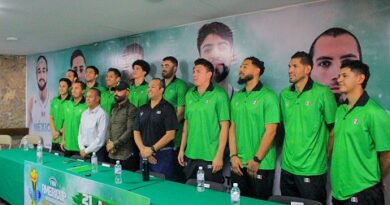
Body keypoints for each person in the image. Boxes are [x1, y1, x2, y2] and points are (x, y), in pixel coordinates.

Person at [279, 51, 337, 204]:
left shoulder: (323, 93)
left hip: (312, 170)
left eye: (295, 66)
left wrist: (325, 156)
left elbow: (334, 130)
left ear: (307, 69)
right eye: (289, 66)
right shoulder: (285, 94)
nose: (290, 70)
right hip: (287, 168)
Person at [331, 60, 390, 205]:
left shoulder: (374, 112)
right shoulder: (340, 110)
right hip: (339, 192)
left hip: (364, 192)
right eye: (339, 76)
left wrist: (377, 178)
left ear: (360, 78)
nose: (339, 79)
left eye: (344, 76)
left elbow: (387, 155)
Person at [229, 57, 279, 200]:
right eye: (240, 67)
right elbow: (232, 127)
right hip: (238, 164)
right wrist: (233, 156)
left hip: (260, 165)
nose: (241, 69)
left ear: (257, 70)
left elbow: (271, 131)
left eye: (245, 66)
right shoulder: (237, 97)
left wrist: (257, 159)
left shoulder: (269, 97)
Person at [178, 58, 230, 183]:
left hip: (210, 155)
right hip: (190, 154)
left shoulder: (219, 94)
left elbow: (225, 126)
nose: (194, 74)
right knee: (190, 192)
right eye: (193, 71)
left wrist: (219, 155)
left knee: (210, 196)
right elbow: (187, 124)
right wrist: (182, 149)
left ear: (209, 74)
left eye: (198, 71)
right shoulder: (189, 94)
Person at [134, 78, 178, 180]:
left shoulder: (168, 108)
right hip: (144, 154)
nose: (149, 89)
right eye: (148, 87)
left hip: (162, 155)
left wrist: (152, 149)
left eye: (153, 87)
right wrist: (143, 150)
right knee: (144, 185)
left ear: (161, 90)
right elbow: (136, 132)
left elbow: (171, 134)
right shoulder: (142, 108)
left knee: (162, 187)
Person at [309, 27, 361, 103]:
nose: (337, 75)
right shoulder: (291, 113)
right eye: (324, 63)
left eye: (348, 63)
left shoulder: (377, 114)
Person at [161, 56, 188, 182]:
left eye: (167, 65)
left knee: (175, 176)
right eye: (162, 66)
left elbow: (181, 112)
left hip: (174, 138)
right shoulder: (158, 85)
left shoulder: (180, 85)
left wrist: (166, 129)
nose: (163, 68)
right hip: (158, 139)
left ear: (175, 68)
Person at [106, 81, 138, 171]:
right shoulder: (113, 107)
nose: (116, 93)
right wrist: (109, 143)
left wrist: (114, 144)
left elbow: (130, 131)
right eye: (115, 91)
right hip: (111, 152)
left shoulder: (132, 109)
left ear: (127, 92)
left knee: (125, 183)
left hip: (125, 154)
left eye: (119, 91)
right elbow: (110, 127)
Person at [197, 21, 235, 98]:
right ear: (199, 61)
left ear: (232, 56)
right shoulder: (192, 98)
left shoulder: (242, 98)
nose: (215, 55)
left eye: (222, 47)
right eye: (208, 50)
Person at [28, 55, 52, 148]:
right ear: (36, 75)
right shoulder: (31, 100)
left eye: (44, 71)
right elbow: (29, 125)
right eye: (39, 71)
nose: (41, 75)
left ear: (47, 73)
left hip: (51, 148)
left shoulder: (53, 100)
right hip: (34, 148)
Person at [78, 88, 108, 161]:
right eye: (87, 97)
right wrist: (82, 149)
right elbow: (80, 134)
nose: (87, 99)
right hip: (83, 151)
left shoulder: (102, 114)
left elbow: (101, 138)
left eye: (90, 97)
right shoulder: (84, 113)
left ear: (97, 99)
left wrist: (86, 151)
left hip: (97, 152)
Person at [61, 80, 88, 157]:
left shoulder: (86, 106)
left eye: (76, 88)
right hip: (67, 146)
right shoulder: (67, 104)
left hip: (80, 148)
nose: (73, 90)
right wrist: (63, 139)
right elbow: (65, 123)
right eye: (72, 88)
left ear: (83, 91)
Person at [49, 78, 72, 152]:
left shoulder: (71, 101)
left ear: (69, 88)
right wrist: (53, 132)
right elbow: (51, 117)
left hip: (65, 139)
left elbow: (68, 121)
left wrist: (59, 132)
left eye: (64, 86)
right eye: (60, 86)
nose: (61, 88)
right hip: (55, 138)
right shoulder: (55, 100)